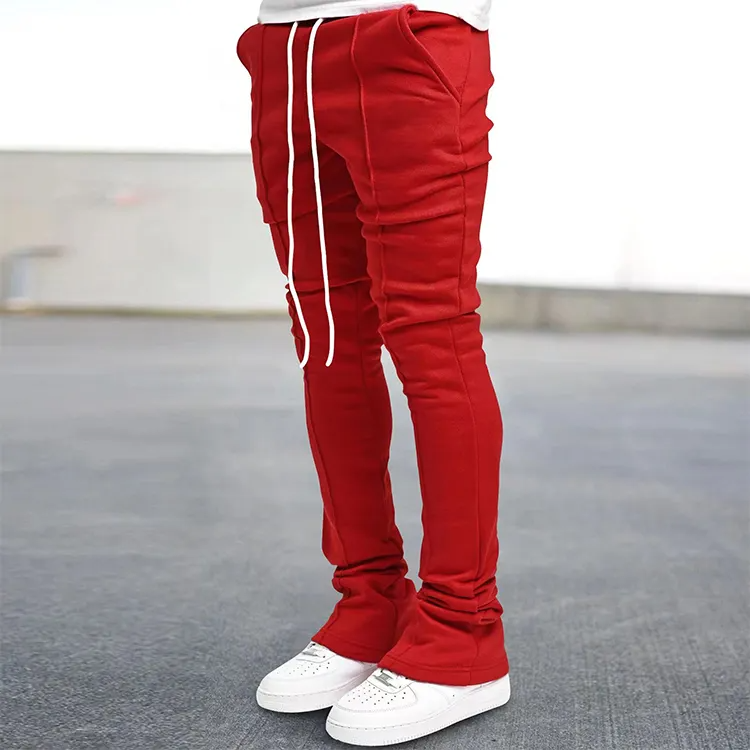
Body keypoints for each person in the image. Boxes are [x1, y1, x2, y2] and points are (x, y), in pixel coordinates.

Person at [237, 1, 509, 744]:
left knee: (432, 335)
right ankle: (372, 600)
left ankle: (462, 631)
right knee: (324, 336)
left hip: (409, 34)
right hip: (284, 53)